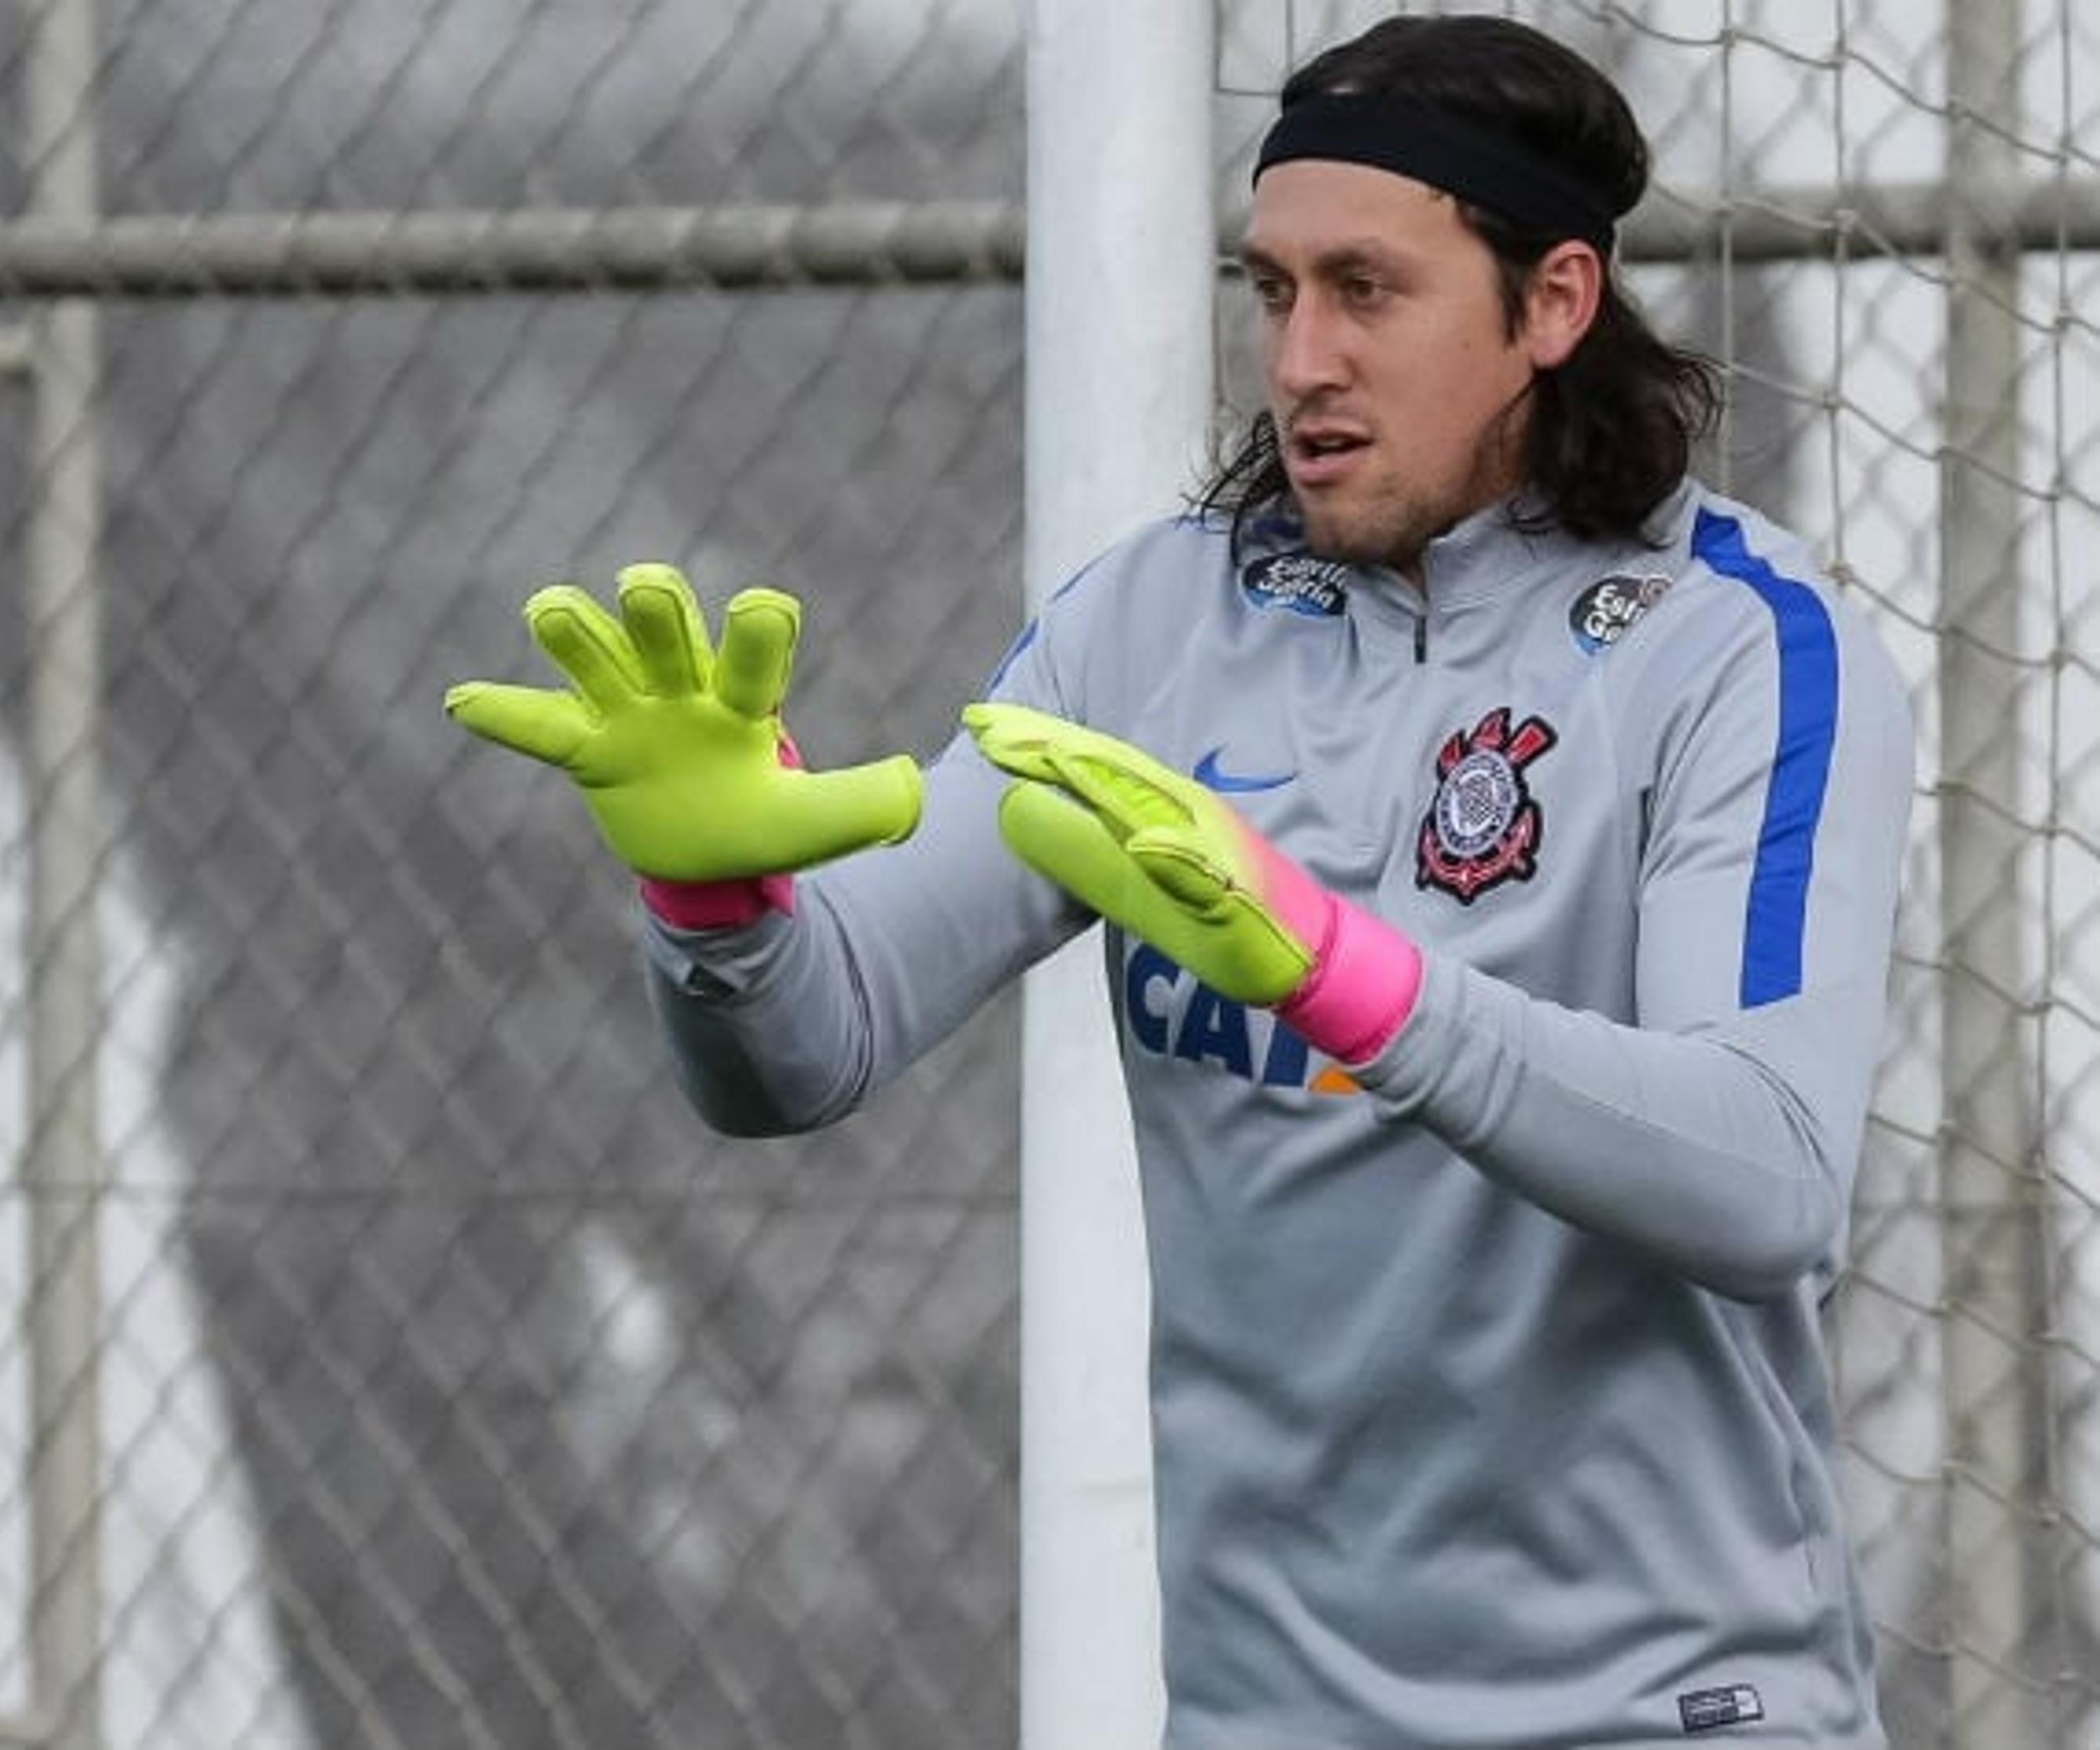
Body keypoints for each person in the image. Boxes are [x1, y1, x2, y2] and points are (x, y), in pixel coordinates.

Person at [442, 13, 1915, 1746]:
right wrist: (713, 914)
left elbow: (1768, 1180)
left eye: (1368, 290)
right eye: (1273, 289)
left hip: (1661, 1712)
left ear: (1555, 304)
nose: (1300, 359)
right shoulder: (1155, 626)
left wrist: (1341, 978)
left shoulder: (1740, 648)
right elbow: (804, 1055)